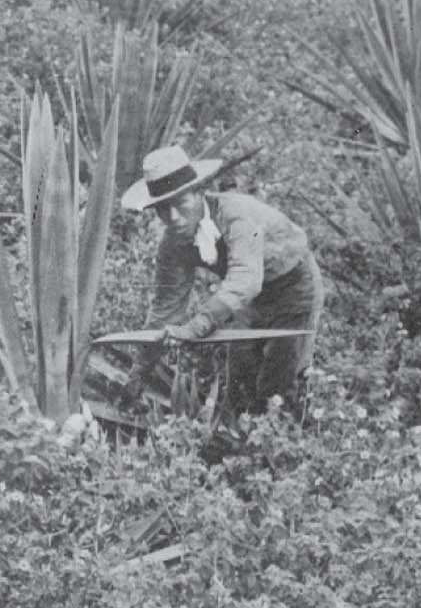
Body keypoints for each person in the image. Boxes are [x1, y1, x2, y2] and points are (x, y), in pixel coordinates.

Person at [123, 145, 323, 418]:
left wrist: (198, 325)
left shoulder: (236, 215)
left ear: (199, 193)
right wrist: (138, 375)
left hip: (293, 287)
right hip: (249, 301)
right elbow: (164, 311)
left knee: (280, 381)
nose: (173, 218)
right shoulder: (173, 244)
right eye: (162, 210)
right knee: (239, 381)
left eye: (180, 205)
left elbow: (245, 279)